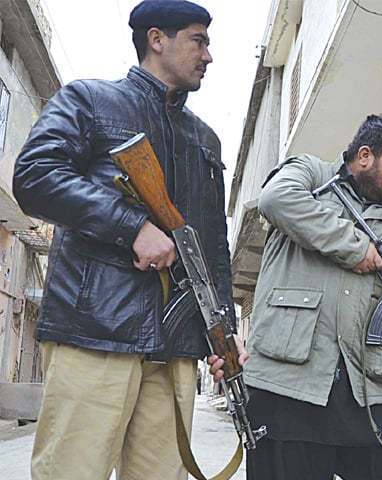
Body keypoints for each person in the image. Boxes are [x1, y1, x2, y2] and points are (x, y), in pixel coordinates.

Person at [13, 1, 246, 478]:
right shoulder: (90, 101)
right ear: (157, 39)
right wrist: (131, 227)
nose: (209, 56)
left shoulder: (206, 140)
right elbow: (34, 175)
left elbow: (212, 249)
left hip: (176, 343)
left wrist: (223, 335)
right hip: (95, 328)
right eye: (198, 41)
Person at [242, 115, 382, 479]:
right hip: (291, 378)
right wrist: (356, 248)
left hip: (368, 384)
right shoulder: (310, 174)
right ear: (365, 155)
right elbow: (276, 199)